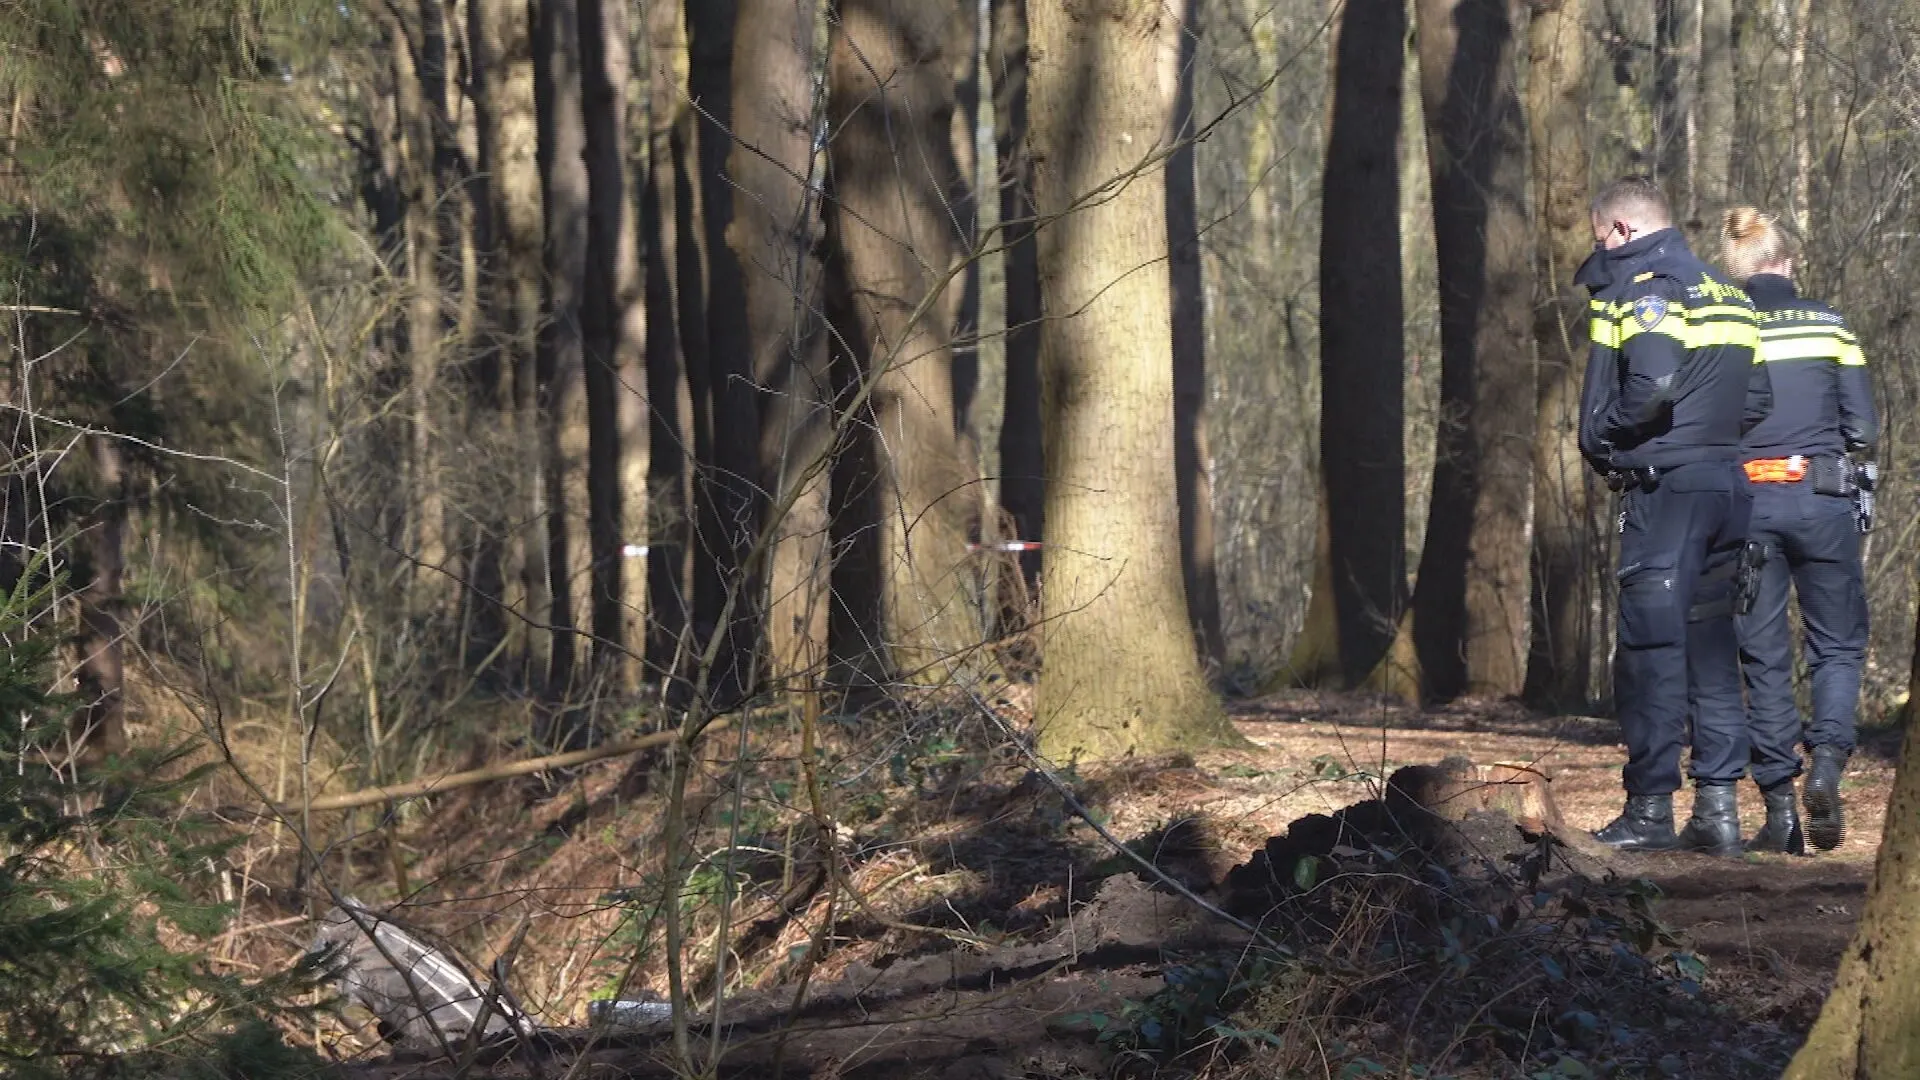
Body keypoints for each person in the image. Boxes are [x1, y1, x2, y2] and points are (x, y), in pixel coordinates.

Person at [1576, 177, 1770, 856]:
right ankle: (1719, 812)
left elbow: (1650, 386)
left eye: (1600, 237)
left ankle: (1651, 811)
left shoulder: (1648, 289)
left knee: (1652, 650)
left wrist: (1606, 435)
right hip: (1728, 486)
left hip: (1672, 492)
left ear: (1621, 232)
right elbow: (1758, 402)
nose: (1598, 250)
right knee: (1714, 653)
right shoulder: (1727, 291)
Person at [1721, 207, 1877, 854]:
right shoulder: (1832, 327)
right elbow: (1863, 430)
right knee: (1836, 645)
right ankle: (1831, 765)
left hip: (1748, 505)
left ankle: (1780, 809)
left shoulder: (1722, 331)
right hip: (1821, 500)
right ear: (1784, 261)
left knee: (1762, 656)